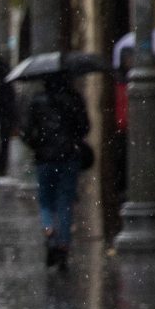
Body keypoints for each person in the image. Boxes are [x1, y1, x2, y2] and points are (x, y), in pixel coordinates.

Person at [20, 72, 93, 270]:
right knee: (65, 201)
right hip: (69, 157)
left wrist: (38, 144)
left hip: (44, 159)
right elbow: (85, 127)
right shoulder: (74, 99)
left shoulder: (37, 101)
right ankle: (63, 245)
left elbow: (26, 132)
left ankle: (49, 231)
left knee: (45, 201)